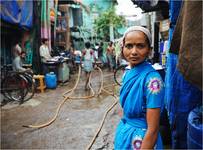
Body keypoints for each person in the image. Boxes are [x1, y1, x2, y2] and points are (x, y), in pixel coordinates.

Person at [114, 26, 164, 149]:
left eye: (140, 46)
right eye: (129, 46)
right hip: (125, 133)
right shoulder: (128, 73)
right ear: (122, 48)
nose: (134, 51)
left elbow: (153, 129)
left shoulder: (153, 81)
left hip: (142, 140)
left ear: (149, 50)